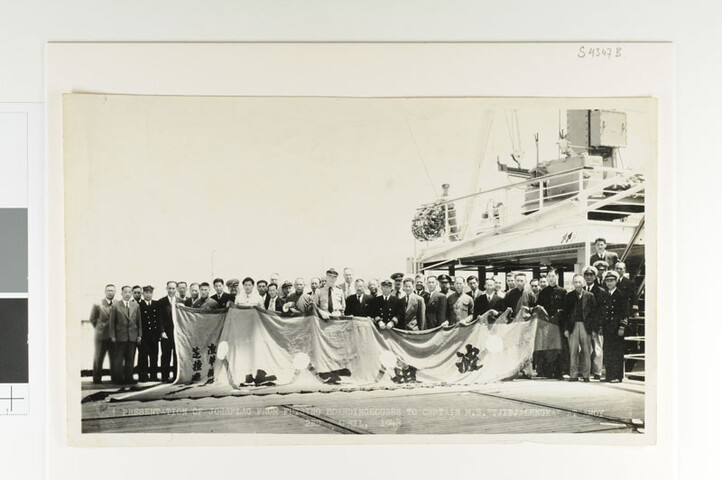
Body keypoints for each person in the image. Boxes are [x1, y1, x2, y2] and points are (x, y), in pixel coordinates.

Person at [563, 274, 597, 382]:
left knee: (586, 351)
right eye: (575, 282)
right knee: (573, 351)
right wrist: (566, 329)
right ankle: (573, 374)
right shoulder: (569, 296)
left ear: (583, 283)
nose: (577, 284)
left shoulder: (590, 295)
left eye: (579, 282)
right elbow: (565, 314)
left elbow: (593, 314)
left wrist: (593, 329)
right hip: (573, 326)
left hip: (585, 326)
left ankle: (586, 375)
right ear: (573, 283)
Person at [598, 271, 630, 383]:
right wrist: (601, 327)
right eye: (607, 280)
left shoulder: (622, 294)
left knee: (617, 352)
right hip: (607, 327)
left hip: (617, 328)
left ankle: (617, 376)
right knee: (607, 351)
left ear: (616, 281)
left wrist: (622, 326)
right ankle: (609, 375)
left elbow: (625, 312)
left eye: (612, 280)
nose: (609, 283)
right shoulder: (604, 294)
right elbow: (602, 312)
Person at [536, 268, 568, 379]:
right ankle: (548, 372)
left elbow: (564, 309)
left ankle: (559, 372)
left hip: (558, 324)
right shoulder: (543, 292)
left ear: (557, 277)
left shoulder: (563, 291)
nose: (551, 278)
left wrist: (558, 317)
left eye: (553, 276)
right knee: (547, 348)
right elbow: (539, 308)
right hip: (546, 324)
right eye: (549, 276)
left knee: (558, 348)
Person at [109, 286, 142, 384]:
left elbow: (139, 322)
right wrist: (113, 336)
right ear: (122, 293)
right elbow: (112, 322)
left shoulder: (135, 306)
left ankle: (129, 377)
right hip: (120, 337)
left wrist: (139, 335)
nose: (127, 294)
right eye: (125, 292)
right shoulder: (116, 305)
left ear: (131, 293)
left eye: (129, 292)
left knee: (130, 359)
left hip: (132, 336)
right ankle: (119, 378)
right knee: (119, 359)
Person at [89, 284, 117, 383]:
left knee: (114, 358)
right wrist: (100, 328)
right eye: (108, 291)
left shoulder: (117, 304)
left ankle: (115, 378)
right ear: (105, 292)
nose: (110, 292)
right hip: (101, 336)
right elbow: (92, 319)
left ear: (115, 292)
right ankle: (96, 378)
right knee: (98, 357)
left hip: (113, 336)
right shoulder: (98, 304)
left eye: (112, 291)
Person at [583, 265, 605, 380]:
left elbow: (601, 310)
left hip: (596, 325)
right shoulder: (581, 290)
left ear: (595, 276)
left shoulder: (600, 291)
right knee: (585, 349)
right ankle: (585, 371)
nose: (589, 277)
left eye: (591, 274)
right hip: (584, 325)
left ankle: (597, 372)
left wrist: (599, 325)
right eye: (586, 275)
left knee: (597, 349)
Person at [137, 285, 163, 382]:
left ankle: (154, 375)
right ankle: (143, 376)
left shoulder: (156, 304)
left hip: (154, 336)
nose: (148, 295)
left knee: (154, 356)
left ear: (152, 294)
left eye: (150, 293)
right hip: (144, 336)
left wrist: (160, 333)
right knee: (143, 356)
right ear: (143, 294)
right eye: (146, 293)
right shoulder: (139, 305)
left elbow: (159, 319)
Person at [156, 281, 178, 382]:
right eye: (169, 288)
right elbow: (159, 318)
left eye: (173, 288)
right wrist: (162, 331)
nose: (171, 290)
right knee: (165, 355)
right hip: (166, 333)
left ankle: (175, 376)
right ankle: (165, 376)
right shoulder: (161, 302)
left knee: (176, 355)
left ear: (176, 289)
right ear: (166, 289)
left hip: (177, 334)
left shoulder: (180, 301)